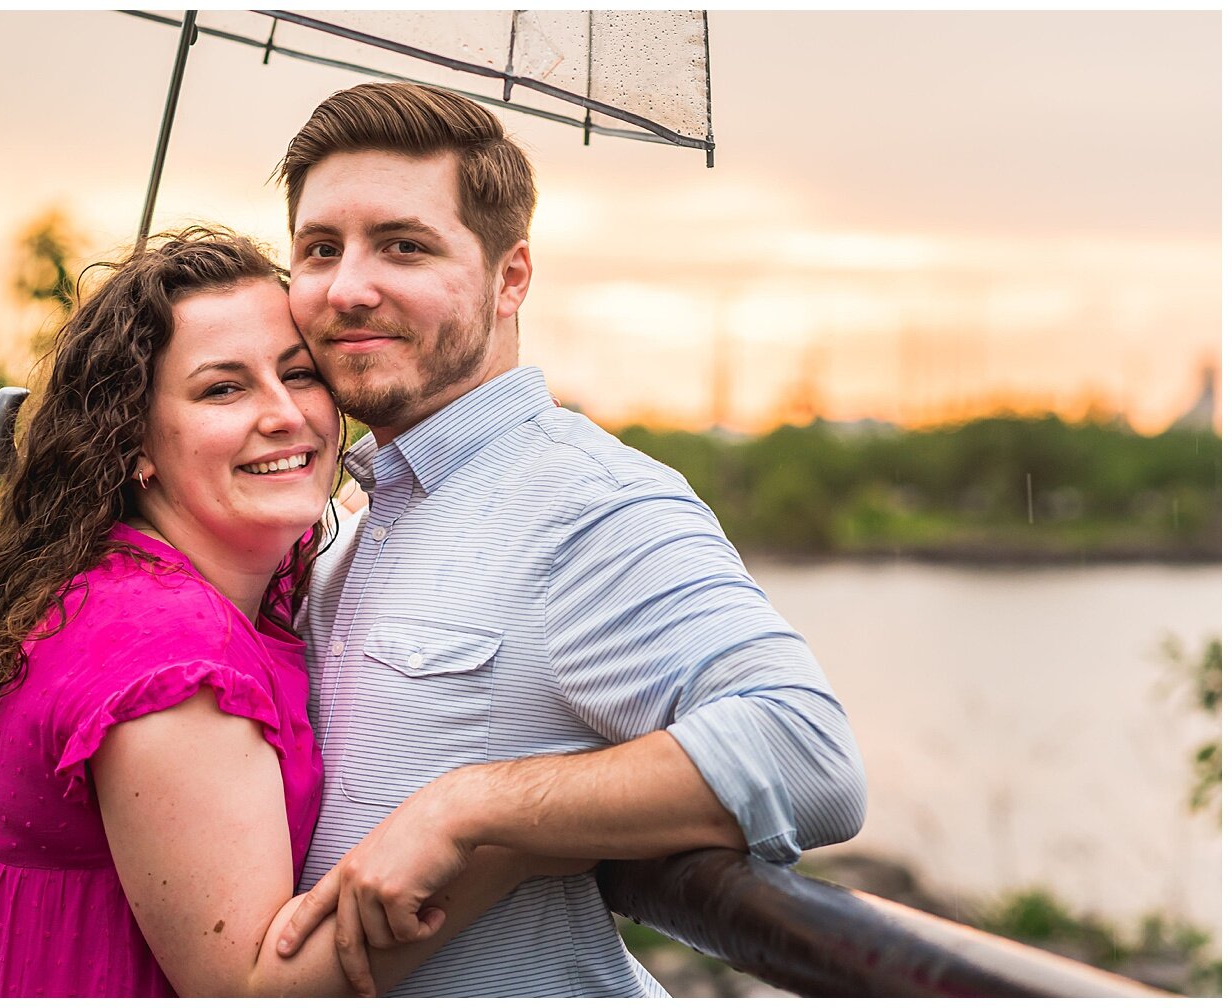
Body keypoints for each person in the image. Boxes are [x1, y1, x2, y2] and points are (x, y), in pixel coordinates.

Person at [270, 82, 869, 997]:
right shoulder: (354, 520)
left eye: (403, 245)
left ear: (511, 278)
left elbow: (807, 752)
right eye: (320, 249)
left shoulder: (589, 507)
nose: (348, 288)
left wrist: (473, 810)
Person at [0, 226, 575, 997]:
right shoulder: (172, 657)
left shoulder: (120, 583)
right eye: (224, 388)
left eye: (298, 373)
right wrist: (511, 842)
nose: (286, 414)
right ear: (134, 444)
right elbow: (250, 986)